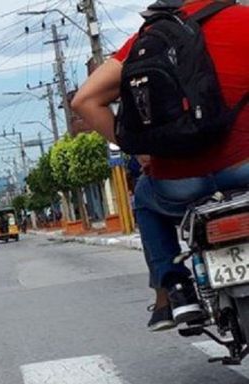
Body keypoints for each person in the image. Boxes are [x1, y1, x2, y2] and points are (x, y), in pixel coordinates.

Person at [72, 0, 249, 332]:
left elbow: (83, 100)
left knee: (144, 199)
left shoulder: (148, 37)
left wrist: (139, 150)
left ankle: (177, 292)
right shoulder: (243, 19)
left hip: (178, 182)